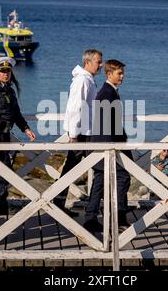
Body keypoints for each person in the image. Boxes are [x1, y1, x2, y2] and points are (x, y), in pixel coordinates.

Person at [0, 56, 36, 215]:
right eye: (2, 71)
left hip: (6, 134)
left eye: (8, 71)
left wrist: (25, 128)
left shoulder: (9, 90)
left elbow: (16, 113)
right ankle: (0, 203)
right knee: (3, 168)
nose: (5, 74)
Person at [84, 59, 132, 233]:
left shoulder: (110, 92)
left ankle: (91, 218)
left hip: (104, 144)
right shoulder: (106, 93)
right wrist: (114, 148)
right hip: (106, 146)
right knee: (122, 178)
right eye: (119, 73)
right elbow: (106, 125)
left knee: (99, 182)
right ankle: (116, 217)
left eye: (122, 73)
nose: (122, 76)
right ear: (109, 74)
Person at [56, 49, 103, 216]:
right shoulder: (82, 80)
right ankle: (91, 209)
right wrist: (74, 135)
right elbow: (76, 108)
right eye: (98, 62)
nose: (101, 65)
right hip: (83, 134)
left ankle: (57, 202)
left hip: (87, 132)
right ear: (87, 62)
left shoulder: (87, 79)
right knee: (97, 169)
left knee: (72, 168)